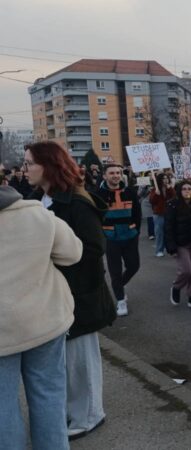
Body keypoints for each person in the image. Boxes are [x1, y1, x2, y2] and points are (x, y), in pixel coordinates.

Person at [24, 142, 117, 441]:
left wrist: (51, 255)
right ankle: (74, 412)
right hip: (58, 294)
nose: (25, 169)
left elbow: (93, 248)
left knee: (81, 362)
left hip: (81, 293)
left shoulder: (76, 202)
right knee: (65, 362)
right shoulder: (39, 199)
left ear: (49, 166)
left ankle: (90, 416)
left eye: (30, 163)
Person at [0, 184, 82, 450]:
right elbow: (73, 253)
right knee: (49, 396)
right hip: (44, 320)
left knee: (3, 406)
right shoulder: (37, 215)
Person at [97, 164, 142, 317]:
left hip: (130, 236)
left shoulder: (130, 191)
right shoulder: (97, 194)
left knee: (134, 266)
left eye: (118, 172)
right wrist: (102, 235)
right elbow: (96, 217)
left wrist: (136, 231)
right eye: (112, 173)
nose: (115, 175)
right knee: (115, 271)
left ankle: (119, 286)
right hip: (111, 238)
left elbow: (137, 212)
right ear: (104, 176)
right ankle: (120, 300)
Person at [165, 180, 191, 308]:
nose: (187, 191)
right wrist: (171, 246)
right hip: (181, 243)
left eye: (190, 188)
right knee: (186, 270)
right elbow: (168, 227)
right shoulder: (172, 205)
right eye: (184, 189)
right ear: (179, 191)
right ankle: (176, 287)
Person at [149, 172, 175, 257]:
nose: (165, 180)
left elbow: (174, 198)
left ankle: (171, 249)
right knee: (159, 232)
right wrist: (156, 194)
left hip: (169, 213)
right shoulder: (155, 189)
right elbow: (152, 201)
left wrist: (170, 189)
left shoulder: (170, 188)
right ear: (160, 180)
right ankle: (159, 250)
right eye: (163, 178)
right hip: (159, 214)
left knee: (170, 232)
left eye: (167, 178)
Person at [137, 175, 155, 241]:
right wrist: (145, 189)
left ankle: (157, 232)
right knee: (150, 218)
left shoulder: (157, 180)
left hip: (156, 202)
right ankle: (151, 234)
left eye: (152, 173)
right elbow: (139, 194)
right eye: (149, 173)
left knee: (157, 218)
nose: (151, 175)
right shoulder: (143, 181)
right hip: (147, 202)